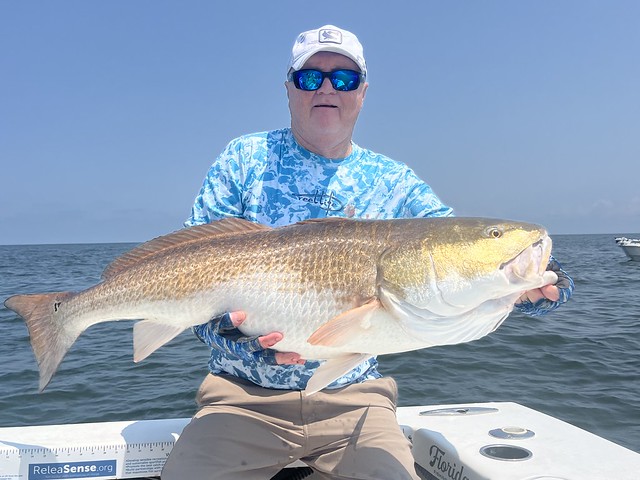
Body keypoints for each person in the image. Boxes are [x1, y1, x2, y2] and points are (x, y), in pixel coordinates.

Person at [161, 25, 573, 480]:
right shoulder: (245, 158)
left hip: (355, 397)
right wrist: (227, 333)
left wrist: (546, 281)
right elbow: (188, 277)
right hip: (240, 399)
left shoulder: (394, 181)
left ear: (362, 92)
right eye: (309, 77)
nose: (326, 89)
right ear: (288, 88)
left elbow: (457, 248)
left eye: (343, 79)